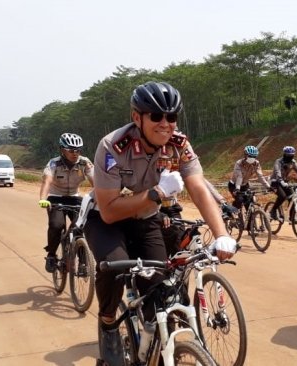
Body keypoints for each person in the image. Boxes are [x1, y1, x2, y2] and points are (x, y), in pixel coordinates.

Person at [83, 81, 237, 366]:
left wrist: (221, 234)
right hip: (107, 220)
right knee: (114, 266)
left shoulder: (179, 145)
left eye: (171, 117)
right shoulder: (113, 146)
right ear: (136, 117)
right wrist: (155, 193)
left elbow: (198, 188)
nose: (165, 124)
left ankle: (156, 337)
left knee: (161, 283)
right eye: (156, 116)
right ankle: (107, 324)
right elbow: (109, 211)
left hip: (144, 219)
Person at [38, 133, 94, 273]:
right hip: (56, 197)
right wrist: (43, 199)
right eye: (71, 150)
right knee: (57, 225)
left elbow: (96, 182)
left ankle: (82, 262)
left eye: (78, 150)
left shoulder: (84, 162)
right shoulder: (54, 163)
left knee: (80, 227)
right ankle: (51, 255)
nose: (75, 153)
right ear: (62, 150)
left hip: (75, 197)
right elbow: (47, 182)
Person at [269, 146, 297, 220]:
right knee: (282, 196)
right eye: (288, 155)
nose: (290, 157)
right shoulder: (278, 161)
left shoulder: (293, 162)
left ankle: (292, 217)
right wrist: (281, 180)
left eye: (292, 155)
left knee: (292, 197)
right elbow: (277, 171)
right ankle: (273, 210)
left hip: (284, 182)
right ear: (284, 154)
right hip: (275, 182)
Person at [228, 145, 271, 210]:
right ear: (245, 155)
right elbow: (239, 177)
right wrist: (237, 189)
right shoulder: (239, 163)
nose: (252, 158)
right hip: (234, 185)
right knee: (240, 200)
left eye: (254, 156)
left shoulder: (256, 164)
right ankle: (232, 211)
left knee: (249, 202)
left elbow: (260, 176)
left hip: (245, 184)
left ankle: (250, 219)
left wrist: (268, 187)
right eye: (250, 156)